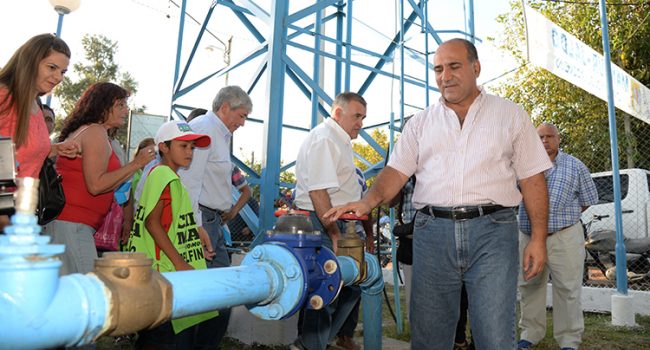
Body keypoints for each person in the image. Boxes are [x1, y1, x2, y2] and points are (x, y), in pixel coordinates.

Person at [324, 38, 552, 349]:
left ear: (476, 68)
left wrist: (538, 237)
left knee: (496, 336)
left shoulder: (510, 115)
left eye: (454, 66)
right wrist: (367, 202)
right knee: (430, 336)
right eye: (438, 69)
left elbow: (532, 178)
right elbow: (395, 172)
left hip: (493, 232)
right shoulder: (420, 123)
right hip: (432, 233)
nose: (445, 76)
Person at [44, 82, 156, 275]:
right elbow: (96, 185)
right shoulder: (95, 132)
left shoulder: (90, 131)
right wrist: (136, 163)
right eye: (120, 105)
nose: (125, 110)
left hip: (71, 224)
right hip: (72, 224)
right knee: (90, 291)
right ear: (103, 107)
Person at [128, 120, 216, 349]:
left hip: (164, 274)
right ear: (164, 148)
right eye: (183, 146)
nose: (190, 153)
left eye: (192, 148)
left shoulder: (166, 175)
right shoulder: (163, 175)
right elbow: (152, 223)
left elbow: (169, 225)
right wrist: (180, 262)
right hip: (166, 275)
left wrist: (192, 247)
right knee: (165, 340)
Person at [291, 92, 368, 350]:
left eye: (363, 117)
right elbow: (318, 193)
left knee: (348, 286)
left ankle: (313, 343)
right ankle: (310, 344)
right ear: (337, 113)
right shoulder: (325, 139)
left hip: (336, 222)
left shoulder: (338, 139)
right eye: (356, 116)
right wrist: (334, 234)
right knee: (325, 291)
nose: (360, 123)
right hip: (323, 222)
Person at [178, 85, 253, 348]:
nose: (243, 123)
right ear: (224, 108)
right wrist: (196, 227)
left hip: (211, 221)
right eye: (241, 116)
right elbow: (188, 181)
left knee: (214, 294)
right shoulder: (205, 129)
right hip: (202, 221)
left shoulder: (219, 132)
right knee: (212, 292)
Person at [517, 123, 598, 350]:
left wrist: (560, 220)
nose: (545, 141)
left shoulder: (575, 165)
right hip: (529, 237)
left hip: (565, 237)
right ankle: (530, 333)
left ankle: (569, 340)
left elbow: (587, 199)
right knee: (529, 285)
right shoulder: (522, 166)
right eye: (540, 137)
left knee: (568, 289)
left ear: (558, 139)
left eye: (550, 136)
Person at [0, 33, 80, 179]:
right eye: (51, 67)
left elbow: (24, 153)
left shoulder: (36, 105)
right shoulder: (4, 96)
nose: (59, 77)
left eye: (62, 72)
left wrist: (55, 149)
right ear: (30, 62)